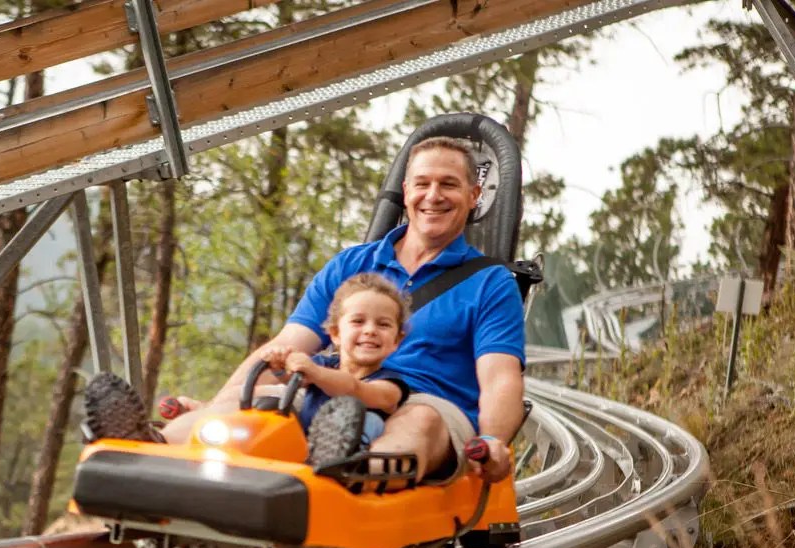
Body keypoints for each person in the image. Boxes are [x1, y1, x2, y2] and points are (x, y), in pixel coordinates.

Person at [161, 136, 526, 485]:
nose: (433, 195)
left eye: (448, 184)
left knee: (420, 421)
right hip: (336, 391)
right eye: (422, 183)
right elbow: (289, 344)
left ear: (474, 195)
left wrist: (494, 440)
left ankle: (350, 473)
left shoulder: (490, 283)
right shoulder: (351, 264)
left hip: (426, 403)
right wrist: (219, 402)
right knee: (258, 404)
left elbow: (500, 379)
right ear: (406, 191)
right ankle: (152, 447)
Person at [259, 272, 409, 456]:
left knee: (371, 421)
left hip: (349, 463)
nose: (370, 330)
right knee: (267, 403)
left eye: (383, 325)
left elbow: (356, 389)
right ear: (336, 333)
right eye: (358, 321)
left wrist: (315, 372)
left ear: (397, 340)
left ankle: (339, 455)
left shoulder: (390, 383)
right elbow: (295, 377)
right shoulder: (322, 364)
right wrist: (281, 366)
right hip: (304, 445)